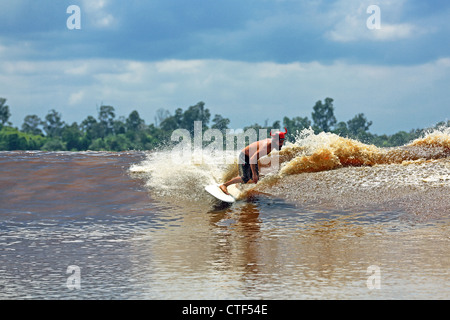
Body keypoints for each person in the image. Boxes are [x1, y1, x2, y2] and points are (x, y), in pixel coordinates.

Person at [219, 128, 287, 195]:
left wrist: (254, 175)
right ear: (275, 140)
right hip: (245, 156)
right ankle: (224, 185)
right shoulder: (266, 147)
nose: (282, 144)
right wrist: (254, 174)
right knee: (247, 178)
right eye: (280, 141)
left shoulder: (272, 144)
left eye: (282, 141)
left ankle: (238, 184)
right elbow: (252, 159)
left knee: (255, 179)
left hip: (251, 157)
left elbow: (254, 158)